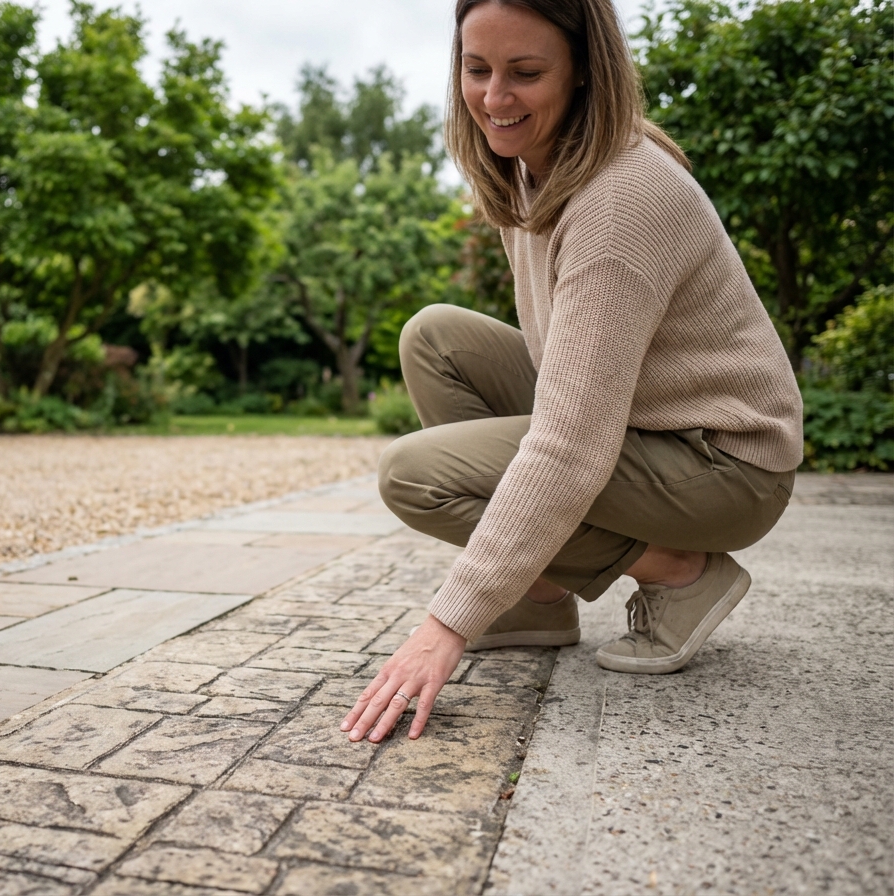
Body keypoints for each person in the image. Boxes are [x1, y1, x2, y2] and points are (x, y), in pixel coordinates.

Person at [341, 0, 802, 745]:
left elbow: (569, 447)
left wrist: (447, 624)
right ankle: (540, 594)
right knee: (435, 339)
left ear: (586, 70)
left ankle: (681, 572)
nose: (495, 98)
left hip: (724, 466)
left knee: (414, 474)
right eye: (476, 68)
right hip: (644, 427)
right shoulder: (527, 166)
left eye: (525, 72)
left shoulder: (621, 199)